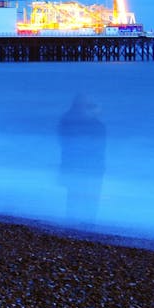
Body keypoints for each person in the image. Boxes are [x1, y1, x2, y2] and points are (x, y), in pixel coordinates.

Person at [58, 94, 105, 226]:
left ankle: (73, 224)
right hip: (90, 167)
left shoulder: (67, 120)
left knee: (75, 197)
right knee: (89, 198)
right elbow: (96, 150)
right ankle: (87, 225)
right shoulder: (95, 125)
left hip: (75, 166)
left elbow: (65, 146)